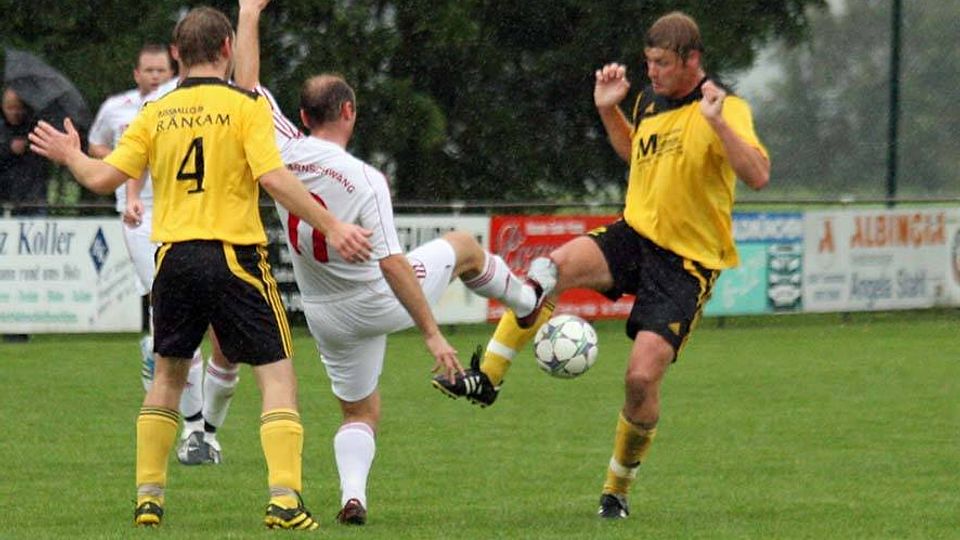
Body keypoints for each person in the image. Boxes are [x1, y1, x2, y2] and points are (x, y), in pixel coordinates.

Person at [29, 5, 373, 529]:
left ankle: (149, 498)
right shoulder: (245, 106)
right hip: (235, 257)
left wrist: (70, 155)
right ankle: (284, 500)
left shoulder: (155, 111)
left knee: (167, 377)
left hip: (173, 258)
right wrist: (333, 224)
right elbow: (274, 179)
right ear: (226, 49)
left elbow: (101, 178)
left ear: (177, 55)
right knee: (277, 378)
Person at [433, 11, 770, 519]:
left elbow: (758, 174)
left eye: (662, 63)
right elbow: (636, 155)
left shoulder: (725, 108)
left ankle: (616, 490)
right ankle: (488, 377)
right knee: (549, 270)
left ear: (692, 60)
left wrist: (718, 122)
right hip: (634, 234)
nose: (652, 72)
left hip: (686, 264)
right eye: (648, 62)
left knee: (640, 380)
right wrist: (609, 110)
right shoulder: (649, 102)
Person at [233, 0, 538, 524]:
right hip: (376, 299)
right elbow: (394, 264)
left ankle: (354, 497)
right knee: (464, 246)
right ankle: (528, 301)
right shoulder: (365, 180)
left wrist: (248, 16)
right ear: (349, 112)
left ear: (301, 117)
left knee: (359, 410)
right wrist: (432, 335)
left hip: (324, 313)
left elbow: (247, 89)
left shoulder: (277, 149)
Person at [0, 87, 50, 214]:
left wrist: (28, 145)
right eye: (10, 108)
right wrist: (8, 148)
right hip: (4, 196)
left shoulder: (36, 127)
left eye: (18, 108)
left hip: (32, 197)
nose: (14, 113)